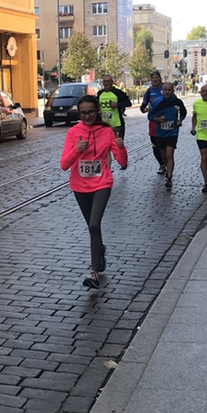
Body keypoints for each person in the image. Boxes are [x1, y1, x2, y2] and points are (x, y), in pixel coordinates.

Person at [60, 95, 128, 290]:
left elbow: (122, 163)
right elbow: (64, 164)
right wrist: (77, 149)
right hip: (79, 186)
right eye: (83, 113)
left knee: (93, 224)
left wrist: (121, 148)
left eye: (90, 112)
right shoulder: (73, 132)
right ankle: (100, 251)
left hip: (102, 183)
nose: (87, 116)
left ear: (97, 111)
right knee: (93, 228)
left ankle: (94, 272)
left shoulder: (107, 131)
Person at [148, 82, 187, 189]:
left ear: (173, 91)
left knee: (170, 155)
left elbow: (183, 112)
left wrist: (180, 120)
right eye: (165, 90)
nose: (167, 92)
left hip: (172, 132)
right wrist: (158, 119)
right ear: (162, 91)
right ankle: (166, 167)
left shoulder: (177, 102)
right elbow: (150, 116)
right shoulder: (157, 102)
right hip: (160, 133)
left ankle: (169, 178)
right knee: (164, 156)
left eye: (169, 90)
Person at [140, 70, 166, 174]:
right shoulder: (149, 92)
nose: (155, 79)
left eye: (157, 77)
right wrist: (145, 109)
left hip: (165, 121)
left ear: (160, 79)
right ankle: (161, 164)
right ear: (151, 80)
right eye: (153, 78)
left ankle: (168, 163)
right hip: (154, 122)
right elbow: (143, 107)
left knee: (166, 145)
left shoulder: (165, 89)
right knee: (155, 145)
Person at [97, 75, 132, 144]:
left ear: (112, 82)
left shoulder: (118, 92)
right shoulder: (100, 93)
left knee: (117, 146)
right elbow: (96, 104)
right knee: (105, 146)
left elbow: (128, 103)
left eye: (108, 81)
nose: (106, 83)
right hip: (104, 124)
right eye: (104, 81)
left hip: (116, 125)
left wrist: (117, 105)